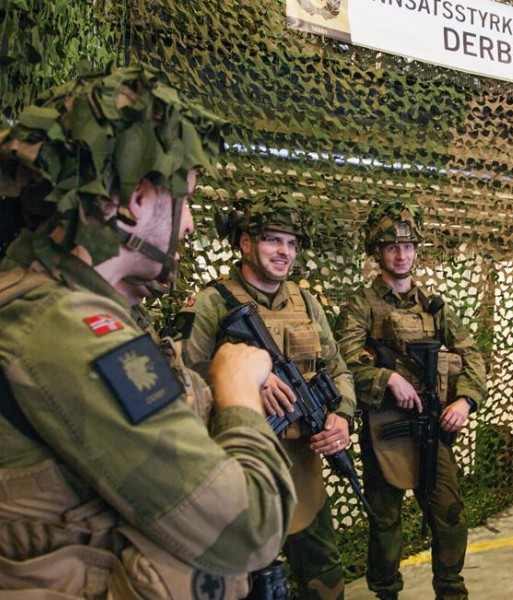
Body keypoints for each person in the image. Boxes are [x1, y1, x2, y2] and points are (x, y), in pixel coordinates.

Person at [0, 64, 297, 599]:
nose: (187, 226)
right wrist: (237, 391)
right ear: (139, 199)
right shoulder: (67, 328)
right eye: (184, 199)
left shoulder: (59, 304)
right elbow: (249, 527)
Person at [176, 194, 356, 600]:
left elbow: (337, 368)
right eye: (274, 240)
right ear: (245, 243)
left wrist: (342, 415)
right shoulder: (211, 302)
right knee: (248, 582)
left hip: (303, 466)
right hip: (239, 466)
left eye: (292, 243)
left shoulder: (306, 301)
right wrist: (242, 381)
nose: (284, 252)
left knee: (325, 578)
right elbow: (180, 381)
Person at [336, 200, 487, 600]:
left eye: (407, 246)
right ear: (376, 253)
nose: (401, 255)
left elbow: (472, 355)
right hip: (384, 428)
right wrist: (386, 379)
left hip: (432, 426)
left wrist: (465, 401)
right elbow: (342, 363)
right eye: (391, 247)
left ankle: (451, 591)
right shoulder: (361, 305)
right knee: (385, 522)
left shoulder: (434, 307)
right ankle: (386, 592)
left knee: (450, 514)